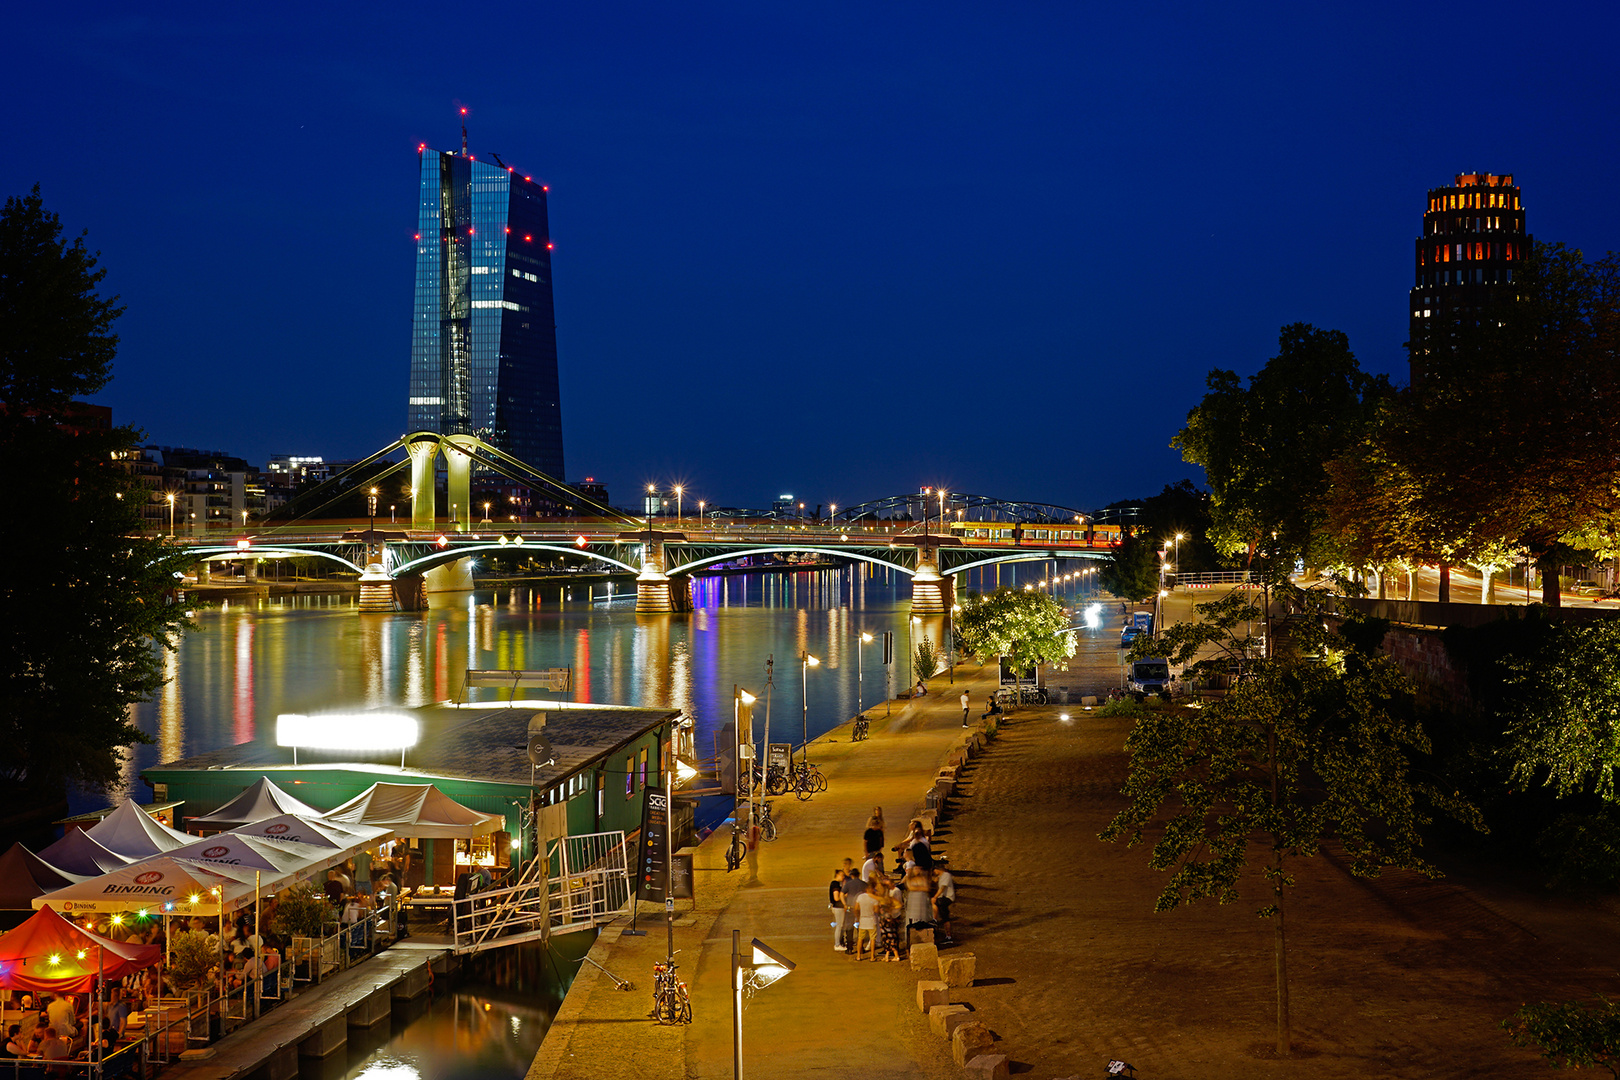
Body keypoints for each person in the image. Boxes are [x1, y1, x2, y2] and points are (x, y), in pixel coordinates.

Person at [839, 859, 865, 952]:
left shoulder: (848, 884)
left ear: (852, 875)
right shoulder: (863, 884)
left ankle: (849, 948)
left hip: (850, 907)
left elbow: (841, 894)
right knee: (859, 928)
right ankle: (860, 948)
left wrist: (845, 904)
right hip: (860, 909)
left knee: (849, 928)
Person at [853, 883, 880, 961]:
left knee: (860, 938)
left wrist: (857, 917)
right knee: (872, 939)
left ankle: (858, 956)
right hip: (871, 920)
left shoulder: (860, 897)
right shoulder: (874, 898)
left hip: (863, 920)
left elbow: (856, 908)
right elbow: (876, 910)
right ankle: (872, 956)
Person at [933, 867, 957, 944]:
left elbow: (942, 888)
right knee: (943, 916)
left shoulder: (946, 875)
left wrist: (935, 897)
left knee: (945, 918)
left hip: (946, 898)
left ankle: (948, 936)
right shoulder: (942, 876)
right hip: (943, 898)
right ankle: (935, 921)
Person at [828, 868, 847, 951]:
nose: (843, 877)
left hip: (836, 907)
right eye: (842, 875)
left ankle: (838, 943)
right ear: (838, 875)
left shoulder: (835, 884)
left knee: (839, 926)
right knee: (839, 926)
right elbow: (836, 898)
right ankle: (837, 944)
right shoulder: (835, 885)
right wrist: (844, 895)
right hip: (838, 908)